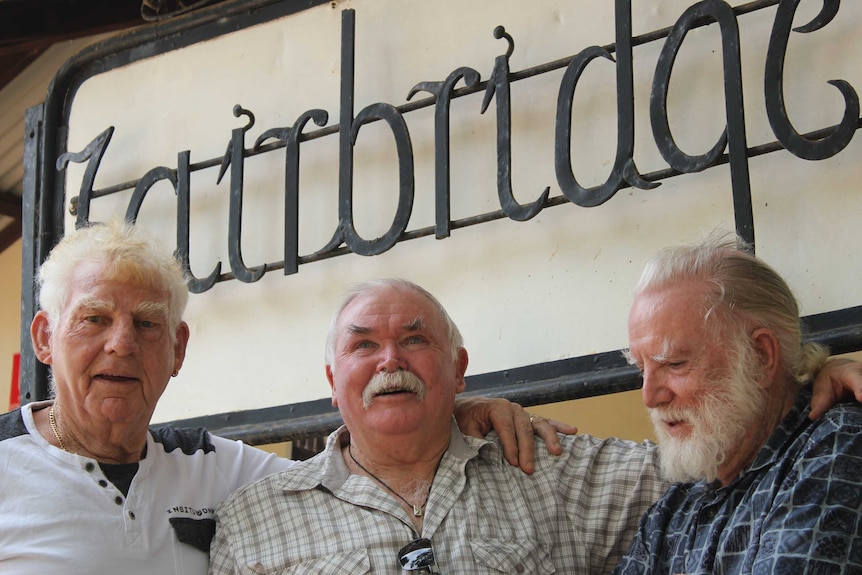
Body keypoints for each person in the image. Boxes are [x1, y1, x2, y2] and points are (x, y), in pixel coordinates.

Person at [0, 220, 572, 575]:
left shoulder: (218, 469)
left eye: (147, 325)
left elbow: (356, 474)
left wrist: (452, 411)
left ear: (177, 349)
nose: (121, 344)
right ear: (46, 338)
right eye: (94, 320)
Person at [615, 234, 862, 574]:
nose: (650, 396)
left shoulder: (836, 446)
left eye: (674, 364)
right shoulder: (676, 508)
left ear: (761, 356)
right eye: (642, 370)